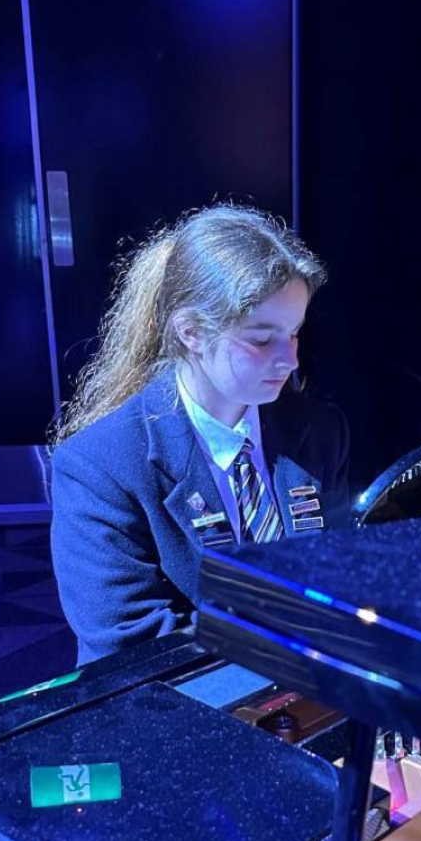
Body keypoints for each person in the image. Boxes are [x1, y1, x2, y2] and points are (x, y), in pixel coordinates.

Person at [50, 203, 350, 664]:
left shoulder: (321, 430)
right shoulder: (99, 467)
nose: (290, 360)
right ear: (190, 331)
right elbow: (128, 641)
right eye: (261, 338)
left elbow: (340, 569)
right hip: (173, 693)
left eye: (294, 333)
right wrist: (285, 646)